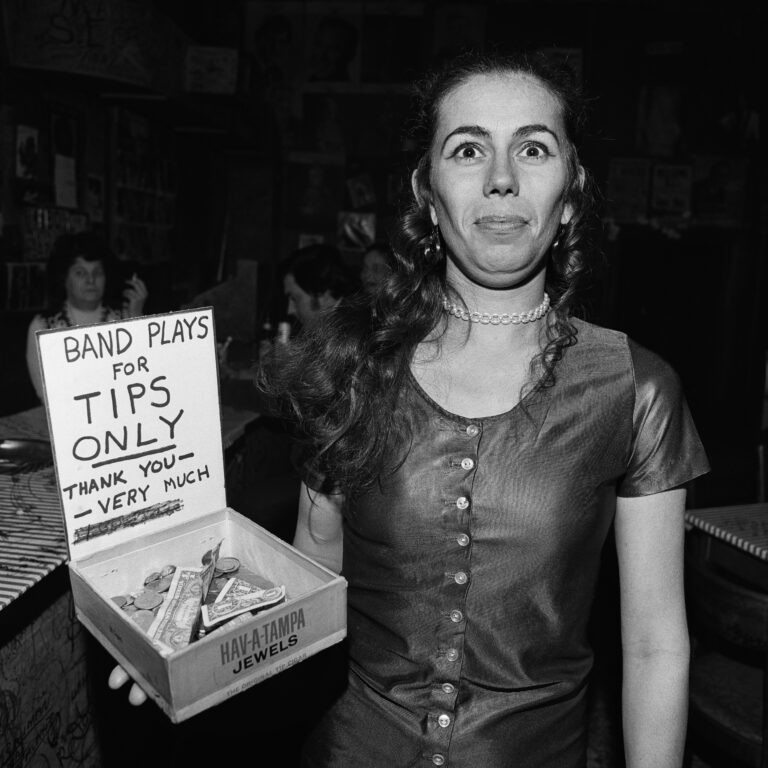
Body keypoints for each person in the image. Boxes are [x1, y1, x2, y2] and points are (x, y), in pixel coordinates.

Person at [111, 49, 709, 768]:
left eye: (533, 148)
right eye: (467, 149)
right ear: (427, 191)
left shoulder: (635, 389)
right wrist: (191, 632)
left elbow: (653, 645)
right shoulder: (352, 368)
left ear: (572, 191)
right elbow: (310, 583)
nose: (500, 178)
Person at [26, 232, 148, 401]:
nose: (91, 280)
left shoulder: (124, 316)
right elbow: (46, 396)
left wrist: (137, 320)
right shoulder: (42, 326)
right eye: (80, 273)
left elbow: (142, 379)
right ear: (64, 279)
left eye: (98, 273)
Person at [281, 242, 358, 329]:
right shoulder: (334, 324)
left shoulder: (349, 333)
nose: (290, 310)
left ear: (323, 295)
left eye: (295, 298)